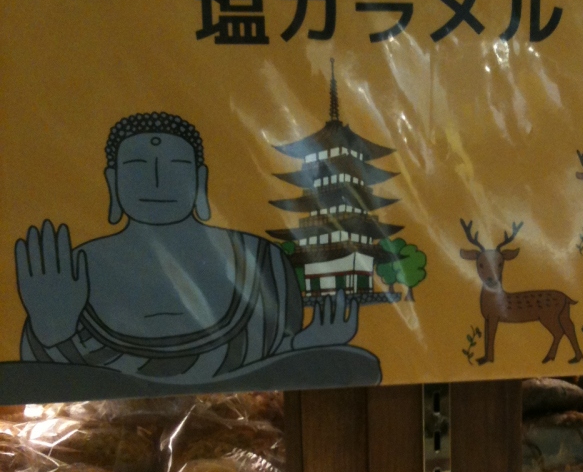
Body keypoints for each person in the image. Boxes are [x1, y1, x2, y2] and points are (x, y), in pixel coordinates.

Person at [13, 111, 379, 389]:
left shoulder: (261, 262)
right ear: (113, 181)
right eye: (137, 167)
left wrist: (308, 345)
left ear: (201, 179)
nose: (157, 181)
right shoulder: (69, 270)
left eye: (177, 167)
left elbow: (271, 368)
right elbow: (42, 382)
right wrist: (50, 330)